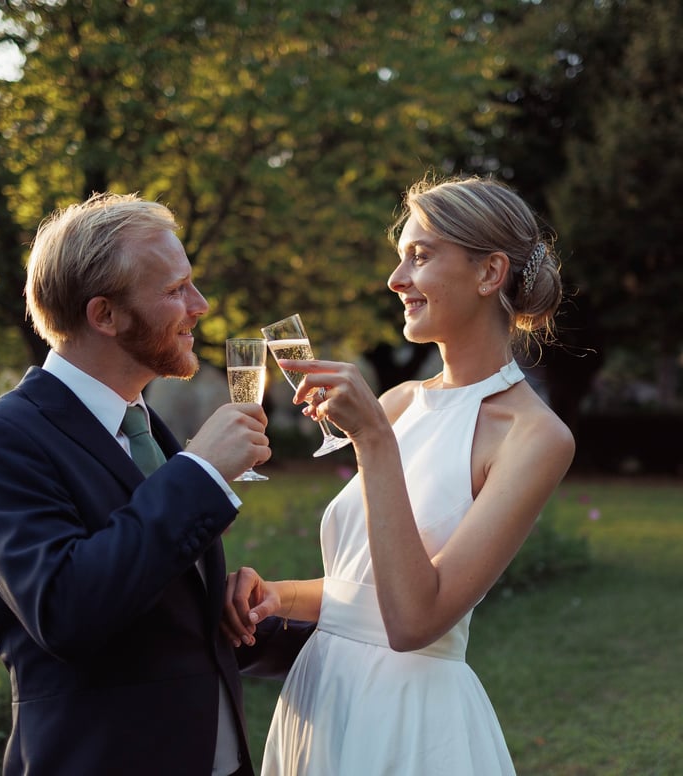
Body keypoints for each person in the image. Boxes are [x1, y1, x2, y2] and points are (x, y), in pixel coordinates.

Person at [223, 174, 576, 775]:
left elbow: (415, 620)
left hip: (409, 720)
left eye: (420, 256)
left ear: (489, 274)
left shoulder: (535, 436)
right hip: (320, 694)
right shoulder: (400, 400)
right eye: (398, 258)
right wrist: (280, 596)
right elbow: (360, 591)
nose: (396, 280)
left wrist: (374, 443)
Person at [0, 192, 304, 776]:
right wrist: (200, 472)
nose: (201, 305)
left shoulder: (145, 426)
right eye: (174, 290)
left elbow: (152, 596)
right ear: (104, 315)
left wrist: (234, 606)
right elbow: (67, 610)